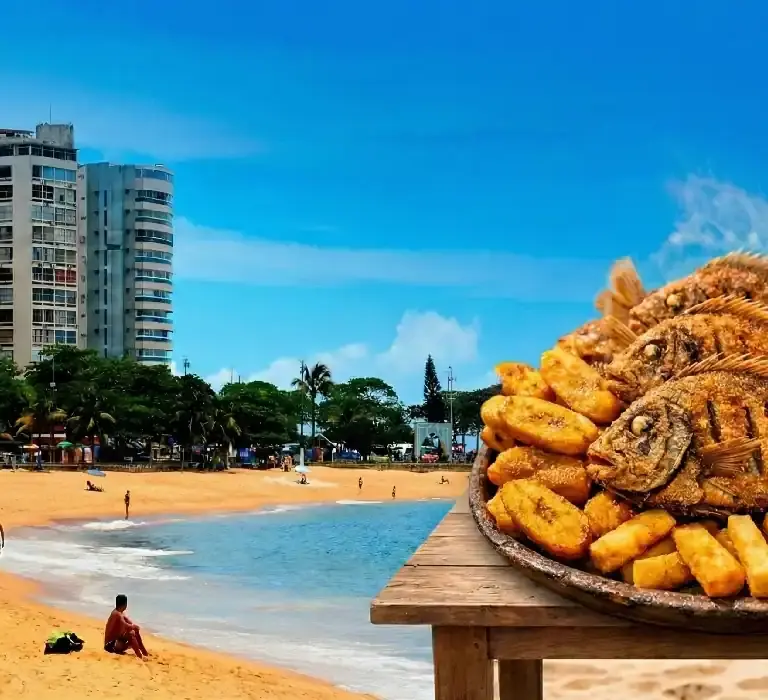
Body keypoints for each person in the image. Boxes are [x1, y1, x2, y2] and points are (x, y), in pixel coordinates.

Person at [104, 594, 149, 659]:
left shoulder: (120, 613)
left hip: (115, 642)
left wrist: (134, 627)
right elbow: (125, 625)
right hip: (110, 646)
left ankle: (144, 651)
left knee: (134, 631)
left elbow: (128, 622)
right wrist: (133, 627)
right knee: (130, 635)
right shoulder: (116, 614)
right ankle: (140, 656)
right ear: (125, 605)